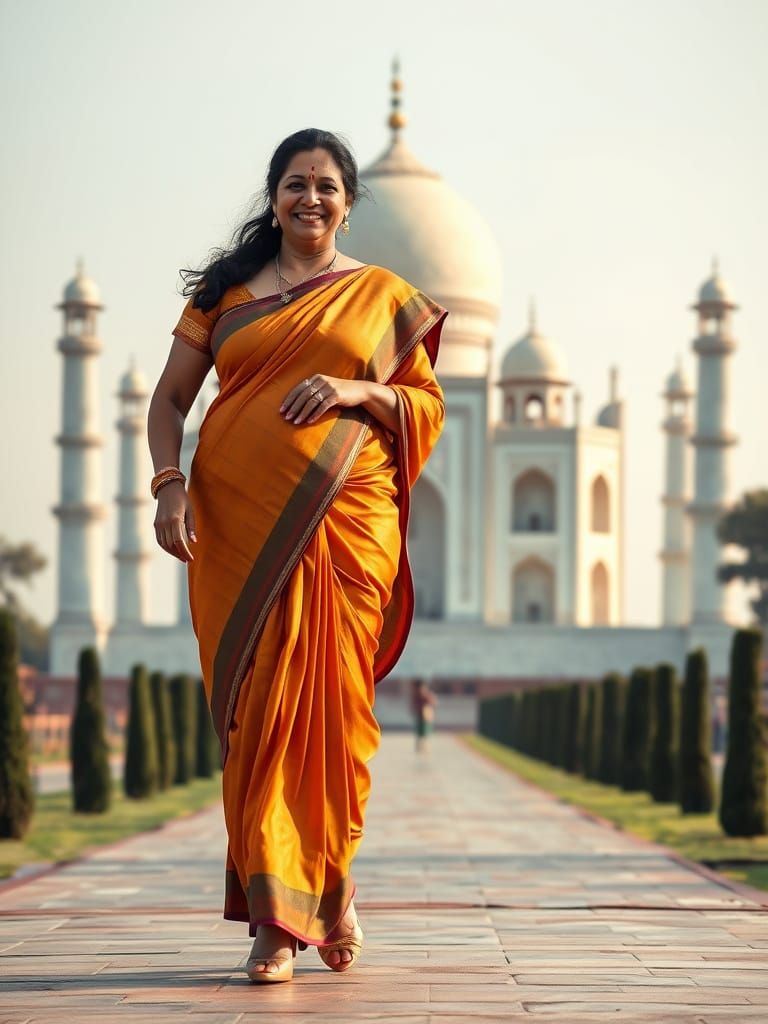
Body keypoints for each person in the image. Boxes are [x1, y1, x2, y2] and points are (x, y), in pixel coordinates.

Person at [147, 128, 447, 984]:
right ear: (272, 196)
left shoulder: (385, 296)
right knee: (256, 725)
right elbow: (170, 399)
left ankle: (311, 904)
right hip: (234, 527)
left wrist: (357, 389)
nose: (310, 199)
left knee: (334, 723)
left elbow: (423, 408)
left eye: (326, 186)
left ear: (350, 203)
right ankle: (293, 915)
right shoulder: (224, 292)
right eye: (294, 184)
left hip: (345, 528)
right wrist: (169, 484)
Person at [411, 678, 438, 752]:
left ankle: (424, 747)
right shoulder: (416, 695)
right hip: (420, 716)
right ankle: (419, 747)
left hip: (426, 717)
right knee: (419, 732)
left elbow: (434, 702)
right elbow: (413, 704)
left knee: (425, 732)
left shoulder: (427, 695)